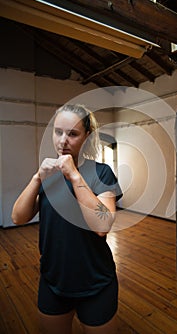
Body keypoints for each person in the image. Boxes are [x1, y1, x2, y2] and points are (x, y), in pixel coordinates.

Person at [12, 104, 122, 334]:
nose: (63, 141)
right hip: (53, 281)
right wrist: (36, 178)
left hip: (96, 283)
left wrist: (73, 175)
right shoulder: (47, 176)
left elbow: (102, 226)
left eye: (72, 134)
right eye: (58, 131)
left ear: (87, 137)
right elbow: (18, 218)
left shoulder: (101, 173)